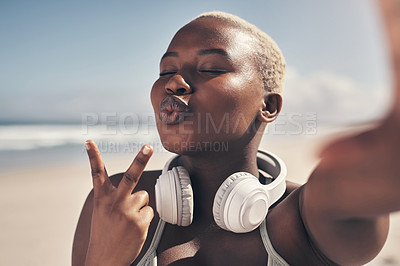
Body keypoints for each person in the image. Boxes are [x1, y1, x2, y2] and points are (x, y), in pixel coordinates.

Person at [72, 0, 400, 265]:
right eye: (167, 70)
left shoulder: (306, 222)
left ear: (268, 106)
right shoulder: (116, 201)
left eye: (212, 68)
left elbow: (362, 183)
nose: (175, 83)